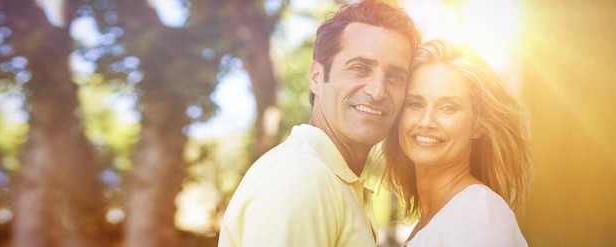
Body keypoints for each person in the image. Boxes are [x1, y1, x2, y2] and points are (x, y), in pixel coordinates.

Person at [218, 1, 420, 246]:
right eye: (359, 68)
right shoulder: (301, 177)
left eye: (395, 76)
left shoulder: (330, 178)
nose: (378, 91)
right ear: (316, 77)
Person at [381, 39, 535, 247]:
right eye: (415, 104)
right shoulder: (440, 217)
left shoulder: (478, 213)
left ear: (478, 124)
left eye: (447, 107)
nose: (426, 121)